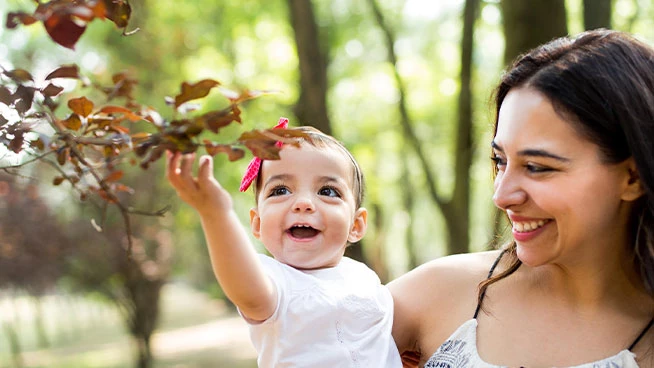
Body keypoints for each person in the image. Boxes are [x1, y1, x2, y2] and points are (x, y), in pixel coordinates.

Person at [390, 29, 654, 367]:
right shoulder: (437, 292)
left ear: (632, 177)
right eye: (500, 160)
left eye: (536, 167)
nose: (501, 196)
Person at [165, 118, 402, 368]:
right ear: (257, 224)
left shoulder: (364, 277)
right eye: (280, 190)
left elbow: (378, 335)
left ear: (356, 225)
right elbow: (246, 291)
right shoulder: (275, 281)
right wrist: (216, 214)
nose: (304, 203)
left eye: (328, 191)